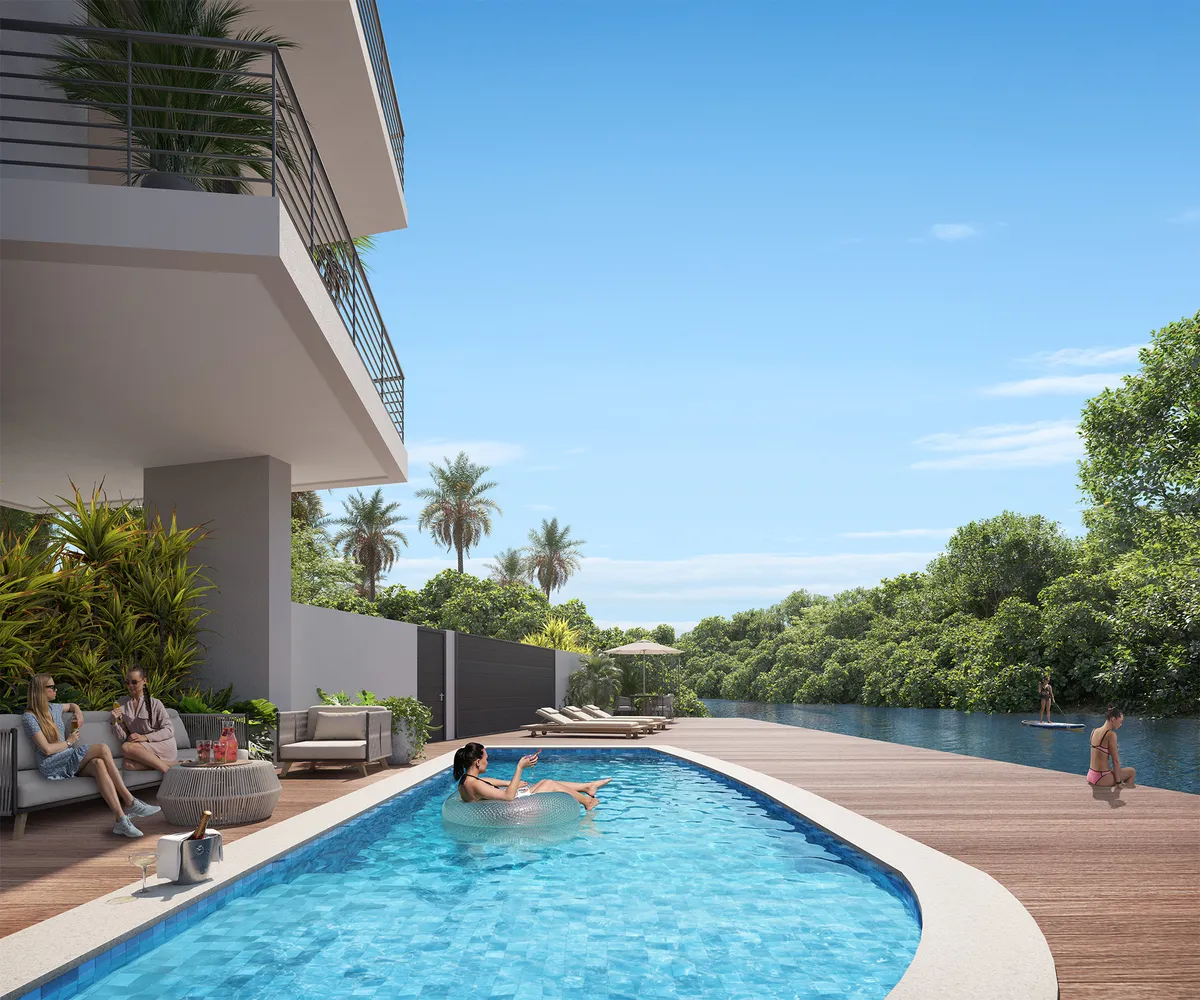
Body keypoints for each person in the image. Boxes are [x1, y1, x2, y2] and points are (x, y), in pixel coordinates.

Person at [21, 673, 161, 837]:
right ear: (40, 691)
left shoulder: (55, 708)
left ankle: (120, 820)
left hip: (67, 757)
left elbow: (72, 705)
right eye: (51, 687)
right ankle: (130, 800)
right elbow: (46, 750)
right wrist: (69, 741)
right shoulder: (29, 717)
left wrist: (78, 713)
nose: (55, 689)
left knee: (98, 764)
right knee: (102, 748)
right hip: (51, 764)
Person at [453, 743, 611, 811]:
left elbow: (493, 783)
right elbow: (508, 797)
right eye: (486, 758)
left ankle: (587, 787)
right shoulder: (475, 785)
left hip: (509, 804)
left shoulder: (467, 781)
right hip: (511, 810)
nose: (488, 761)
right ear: (478, 762)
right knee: (548, 783)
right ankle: (587, 801)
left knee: (542, 782)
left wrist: (514, 782)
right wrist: (519, 768)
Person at [111, 666, 178, 773]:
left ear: (144, 681)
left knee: (125, 747)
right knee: (127, 764)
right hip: (140, 749)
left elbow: (169, 730)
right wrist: (114, 722)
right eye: (127, 682)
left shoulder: (155, 703)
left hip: (162, 745)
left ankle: (166, 771)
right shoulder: (121, 704)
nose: (130, 686)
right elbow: (122, 736)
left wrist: (145, 737)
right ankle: (176, 765)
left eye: (134, 682)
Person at [1087, 706, 1136, 788]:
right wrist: (1118, 782)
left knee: (1113, 772)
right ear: (1113, 719)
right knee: (1132, 771)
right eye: (1120, 722)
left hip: (1091, 775)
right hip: (1102, 778)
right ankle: (1124, 792)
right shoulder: (1111, 734)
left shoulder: (1094, 731)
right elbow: (1115, 761)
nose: (1121, 725)